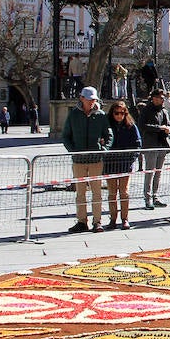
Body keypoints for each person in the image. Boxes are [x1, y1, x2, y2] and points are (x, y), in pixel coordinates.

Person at [60, 87, 112, 233]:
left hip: (96, 159)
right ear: (81, 98)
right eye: (89, 100)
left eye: (94, 100)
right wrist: (73, 151)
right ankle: (82, 221)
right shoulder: (73, 115)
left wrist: (104, 149)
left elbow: (109, 134)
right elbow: (66, 136)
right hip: (79, 160)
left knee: (97, 192)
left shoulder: (101, 115)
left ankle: (97, 222)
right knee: (80, 193)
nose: (91, 102)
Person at [103, 101, 142, 230]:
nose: (119, 116)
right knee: (112, 192)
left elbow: (138, 144)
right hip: (110, 163)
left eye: (122, 113)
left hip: (125, 163)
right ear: (112, 113)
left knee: (124, 192)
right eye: (116, 113)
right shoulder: (107, 125)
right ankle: (113, 219)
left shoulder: (131, 126)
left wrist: (131, 159)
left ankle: (125, 219)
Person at [137, 88, 170, 209]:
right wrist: (159, 128)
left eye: (163, 97)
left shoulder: (163, 111)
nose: (162, 99)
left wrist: (169, 128)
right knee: (149, 172)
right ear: (154, 98)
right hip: (150, 144)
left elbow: (169, 125)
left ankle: (155, 195)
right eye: (160, 97)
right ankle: (147, 198)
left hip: (162, 144)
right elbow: (142, 126)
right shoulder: (146, 110)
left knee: (158, 172)